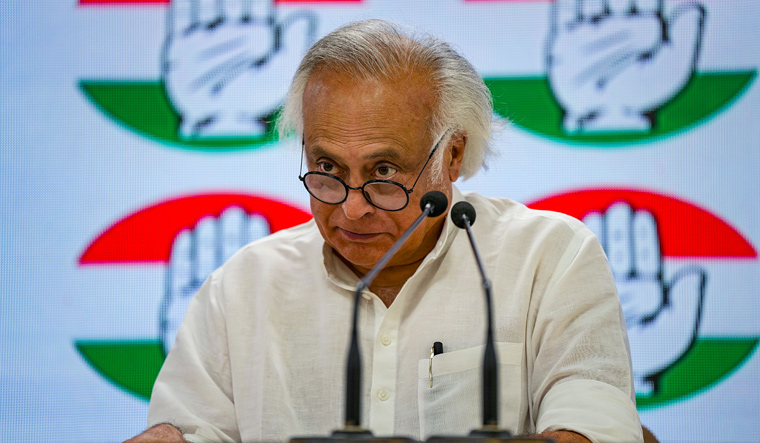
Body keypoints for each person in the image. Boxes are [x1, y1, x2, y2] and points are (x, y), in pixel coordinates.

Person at [127, 19, 643, 443]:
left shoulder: (548, 258)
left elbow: (598, 432)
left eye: (384, 172)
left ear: (453, 154)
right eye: (327, 168)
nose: (352, 209)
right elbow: (192, 430)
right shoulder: (243, 286)